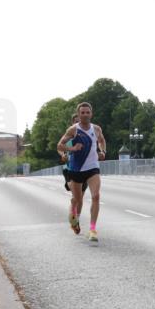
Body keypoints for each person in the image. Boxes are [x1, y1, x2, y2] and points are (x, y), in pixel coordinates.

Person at [57, 102, 106, 242]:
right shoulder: (73, 129)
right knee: (78, 200)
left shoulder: (96, 129)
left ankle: (92, 229)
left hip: (93, 168)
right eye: (82, 112)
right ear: (78, 114)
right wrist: (72, 149)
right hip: (76, 169)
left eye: (87, 112)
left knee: (96, 196)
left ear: (91, 113)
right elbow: (59, 145)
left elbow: (102, 141)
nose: (85, 114)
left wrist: (102, 151)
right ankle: (75, 218)